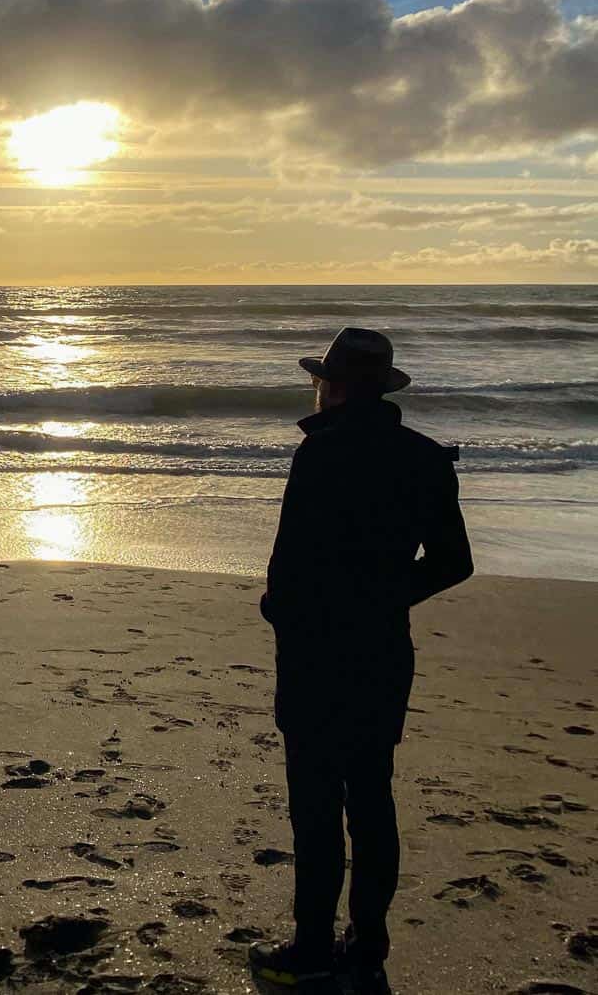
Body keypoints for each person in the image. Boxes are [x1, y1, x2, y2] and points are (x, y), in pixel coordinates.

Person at [249, 328, 473, 994]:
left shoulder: (317, 456)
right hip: (382, 650)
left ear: (336, 385)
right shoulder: (426, 459)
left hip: (317, 654)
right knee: (373, 799)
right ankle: (367, 946)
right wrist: (385, 597)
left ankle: (312, 946)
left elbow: (286, 576)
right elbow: (455, 562)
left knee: (316, 807)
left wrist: (280, 611)